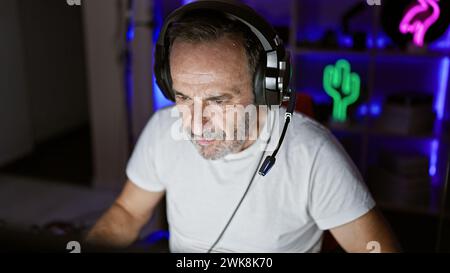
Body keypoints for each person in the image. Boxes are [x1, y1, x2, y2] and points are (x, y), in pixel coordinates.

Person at [86, 1, 400, 253]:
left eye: (218, 100)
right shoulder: (161, 129)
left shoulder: (313, 153)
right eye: (183, 97)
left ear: (266, 89)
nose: (195, 122)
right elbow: (127, 214)